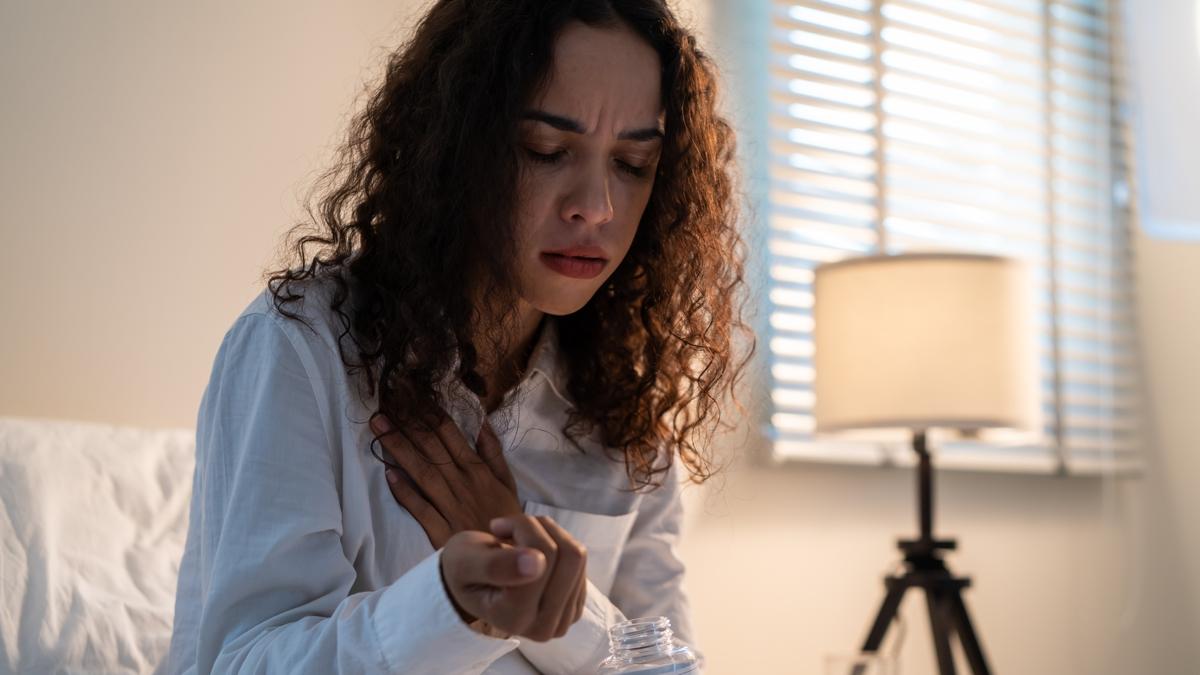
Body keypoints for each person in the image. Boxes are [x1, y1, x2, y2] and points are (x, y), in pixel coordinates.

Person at [163, 0, 752, 672]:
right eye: (547, 151)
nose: (596, 207)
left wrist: (542, 593)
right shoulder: (301, 350)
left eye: (633, 163)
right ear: (458, 145)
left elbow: (667, 664)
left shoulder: (628, 410)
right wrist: (451, 606)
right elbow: (241, 660)